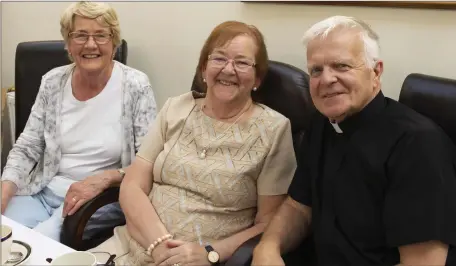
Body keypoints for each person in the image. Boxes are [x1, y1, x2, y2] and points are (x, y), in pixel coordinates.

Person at [252, 15, 456, 266]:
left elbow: (423, 264)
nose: (326, 79)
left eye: (341, 66)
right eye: (316, 70)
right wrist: (269, 247)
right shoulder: (322, 122)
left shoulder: (417, 144)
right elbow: (299, 207)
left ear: (376, 72)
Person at [89, 20, 296, 265]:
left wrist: (211, 251)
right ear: (203, 69)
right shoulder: (175, 108)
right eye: (219, 58)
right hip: (132, 245)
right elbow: (133, 184)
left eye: (242, 62)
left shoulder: (274, 130)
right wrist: (159, 244)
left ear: (257, 78)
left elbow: (268, 224)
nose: (229, 69)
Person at [0, 1, 157, 242]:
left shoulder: (135, 86)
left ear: (114, 43)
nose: (91, 44)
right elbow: (28, 146)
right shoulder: (53, 82)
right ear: (69, 44)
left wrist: (106, 178)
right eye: (80, 35)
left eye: (101, 35)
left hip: (96, 198)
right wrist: (5, 189)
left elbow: (147, 162)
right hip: (42, 190)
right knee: (6, 235)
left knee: (38, 244)